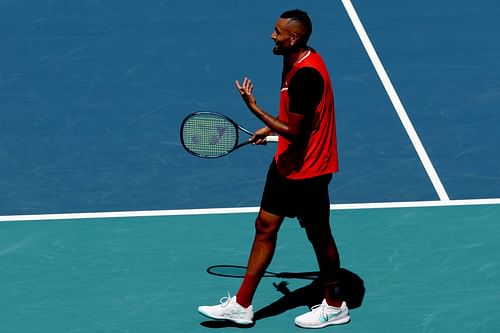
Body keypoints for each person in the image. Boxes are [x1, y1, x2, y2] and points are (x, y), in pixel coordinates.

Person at [197, 9, 349, 329]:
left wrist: (256, 111)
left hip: (310, 170)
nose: (272, 36)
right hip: (287, 163)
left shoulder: (306, 76)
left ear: (293, 38)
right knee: (264, 226)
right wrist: (272, 130)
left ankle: (335, 305)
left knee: (319, 236)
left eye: (278, 32)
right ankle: (241, 305)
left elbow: (296, 132)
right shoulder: (290, 59)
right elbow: (295, 122)